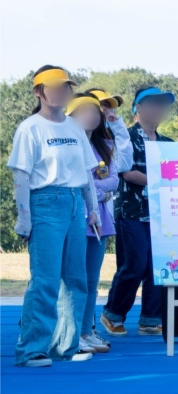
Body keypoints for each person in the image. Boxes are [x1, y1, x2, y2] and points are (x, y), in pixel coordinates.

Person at [8, 66, 101, 367]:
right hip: (45, 202)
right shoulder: (30, 128)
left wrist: (93, 210)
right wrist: (24, 218)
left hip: (75, 202)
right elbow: (21, 176)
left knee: (76, 279)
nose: (60, 92)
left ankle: (65, 346)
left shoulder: (74, 127)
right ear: (39, 92)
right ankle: (31, 349)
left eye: (65, 87)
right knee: (45, 280)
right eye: (53, 87)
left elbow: (86, 172)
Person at [101, 86, 176, 338]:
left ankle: (151, 319)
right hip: (131, 211)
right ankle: (113, 313)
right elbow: (127, 172)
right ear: (138, 108)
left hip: (161, 215)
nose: (157, 109)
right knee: (134, 265)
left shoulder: (168, 144)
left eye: (161, 104)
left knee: (158, 266)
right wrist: (160, 181)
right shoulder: (127, 136)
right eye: (152, 103)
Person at [61, 93, 119, 354]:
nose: (91, 116)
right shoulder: (66, 145)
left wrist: (98, 191)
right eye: (83, 111)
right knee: (73, 279)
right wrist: (100, 191)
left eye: (94, 111)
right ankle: (70, 333)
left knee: (92, 280)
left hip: (100, 217)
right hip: (75, 216)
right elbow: (75, 180)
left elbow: (114, 180)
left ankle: (86, 330)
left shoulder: (104, 145)